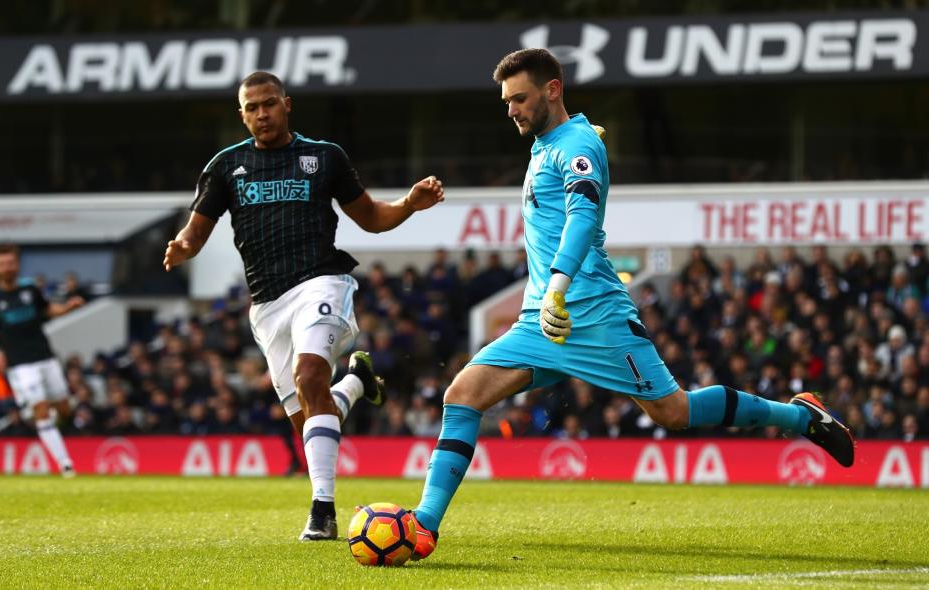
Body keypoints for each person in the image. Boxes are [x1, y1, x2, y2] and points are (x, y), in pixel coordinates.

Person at [404, 48, 855, 561]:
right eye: (507, 101)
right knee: (462, 394)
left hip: (592, 313)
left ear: (553, 89)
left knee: (672, 411)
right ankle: (424, 525)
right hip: (541, 320)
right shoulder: (549, 143)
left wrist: (557, 285)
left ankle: (801, 418)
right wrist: (546, 297)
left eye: (521, 98)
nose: (512, 110)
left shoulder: (574, 143)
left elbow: (582, 217)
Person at [163, 71, 444, 541]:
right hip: (266, 305)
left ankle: (323, 511)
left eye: (269, 104)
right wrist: (183, 246)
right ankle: (354, 383)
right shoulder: (225, 166)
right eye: (251, 108)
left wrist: (409, 204)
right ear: (241, 114)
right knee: (310, 416)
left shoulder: (323, 156)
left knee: (310, 374)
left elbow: (371, 218)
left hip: (322, 282)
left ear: (287, 104)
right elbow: (196, 230)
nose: (261, 114)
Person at [0, 244, 84, 477]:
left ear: (17, 264)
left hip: (46, 357)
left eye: (11, 263)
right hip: (19, 363)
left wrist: (67, 308)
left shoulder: (30, 288)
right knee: (42, 408)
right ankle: (65, 464)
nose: (7, 267)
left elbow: (47, 309)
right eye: (2, 264)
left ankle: (33, 414)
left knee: (64, 409)